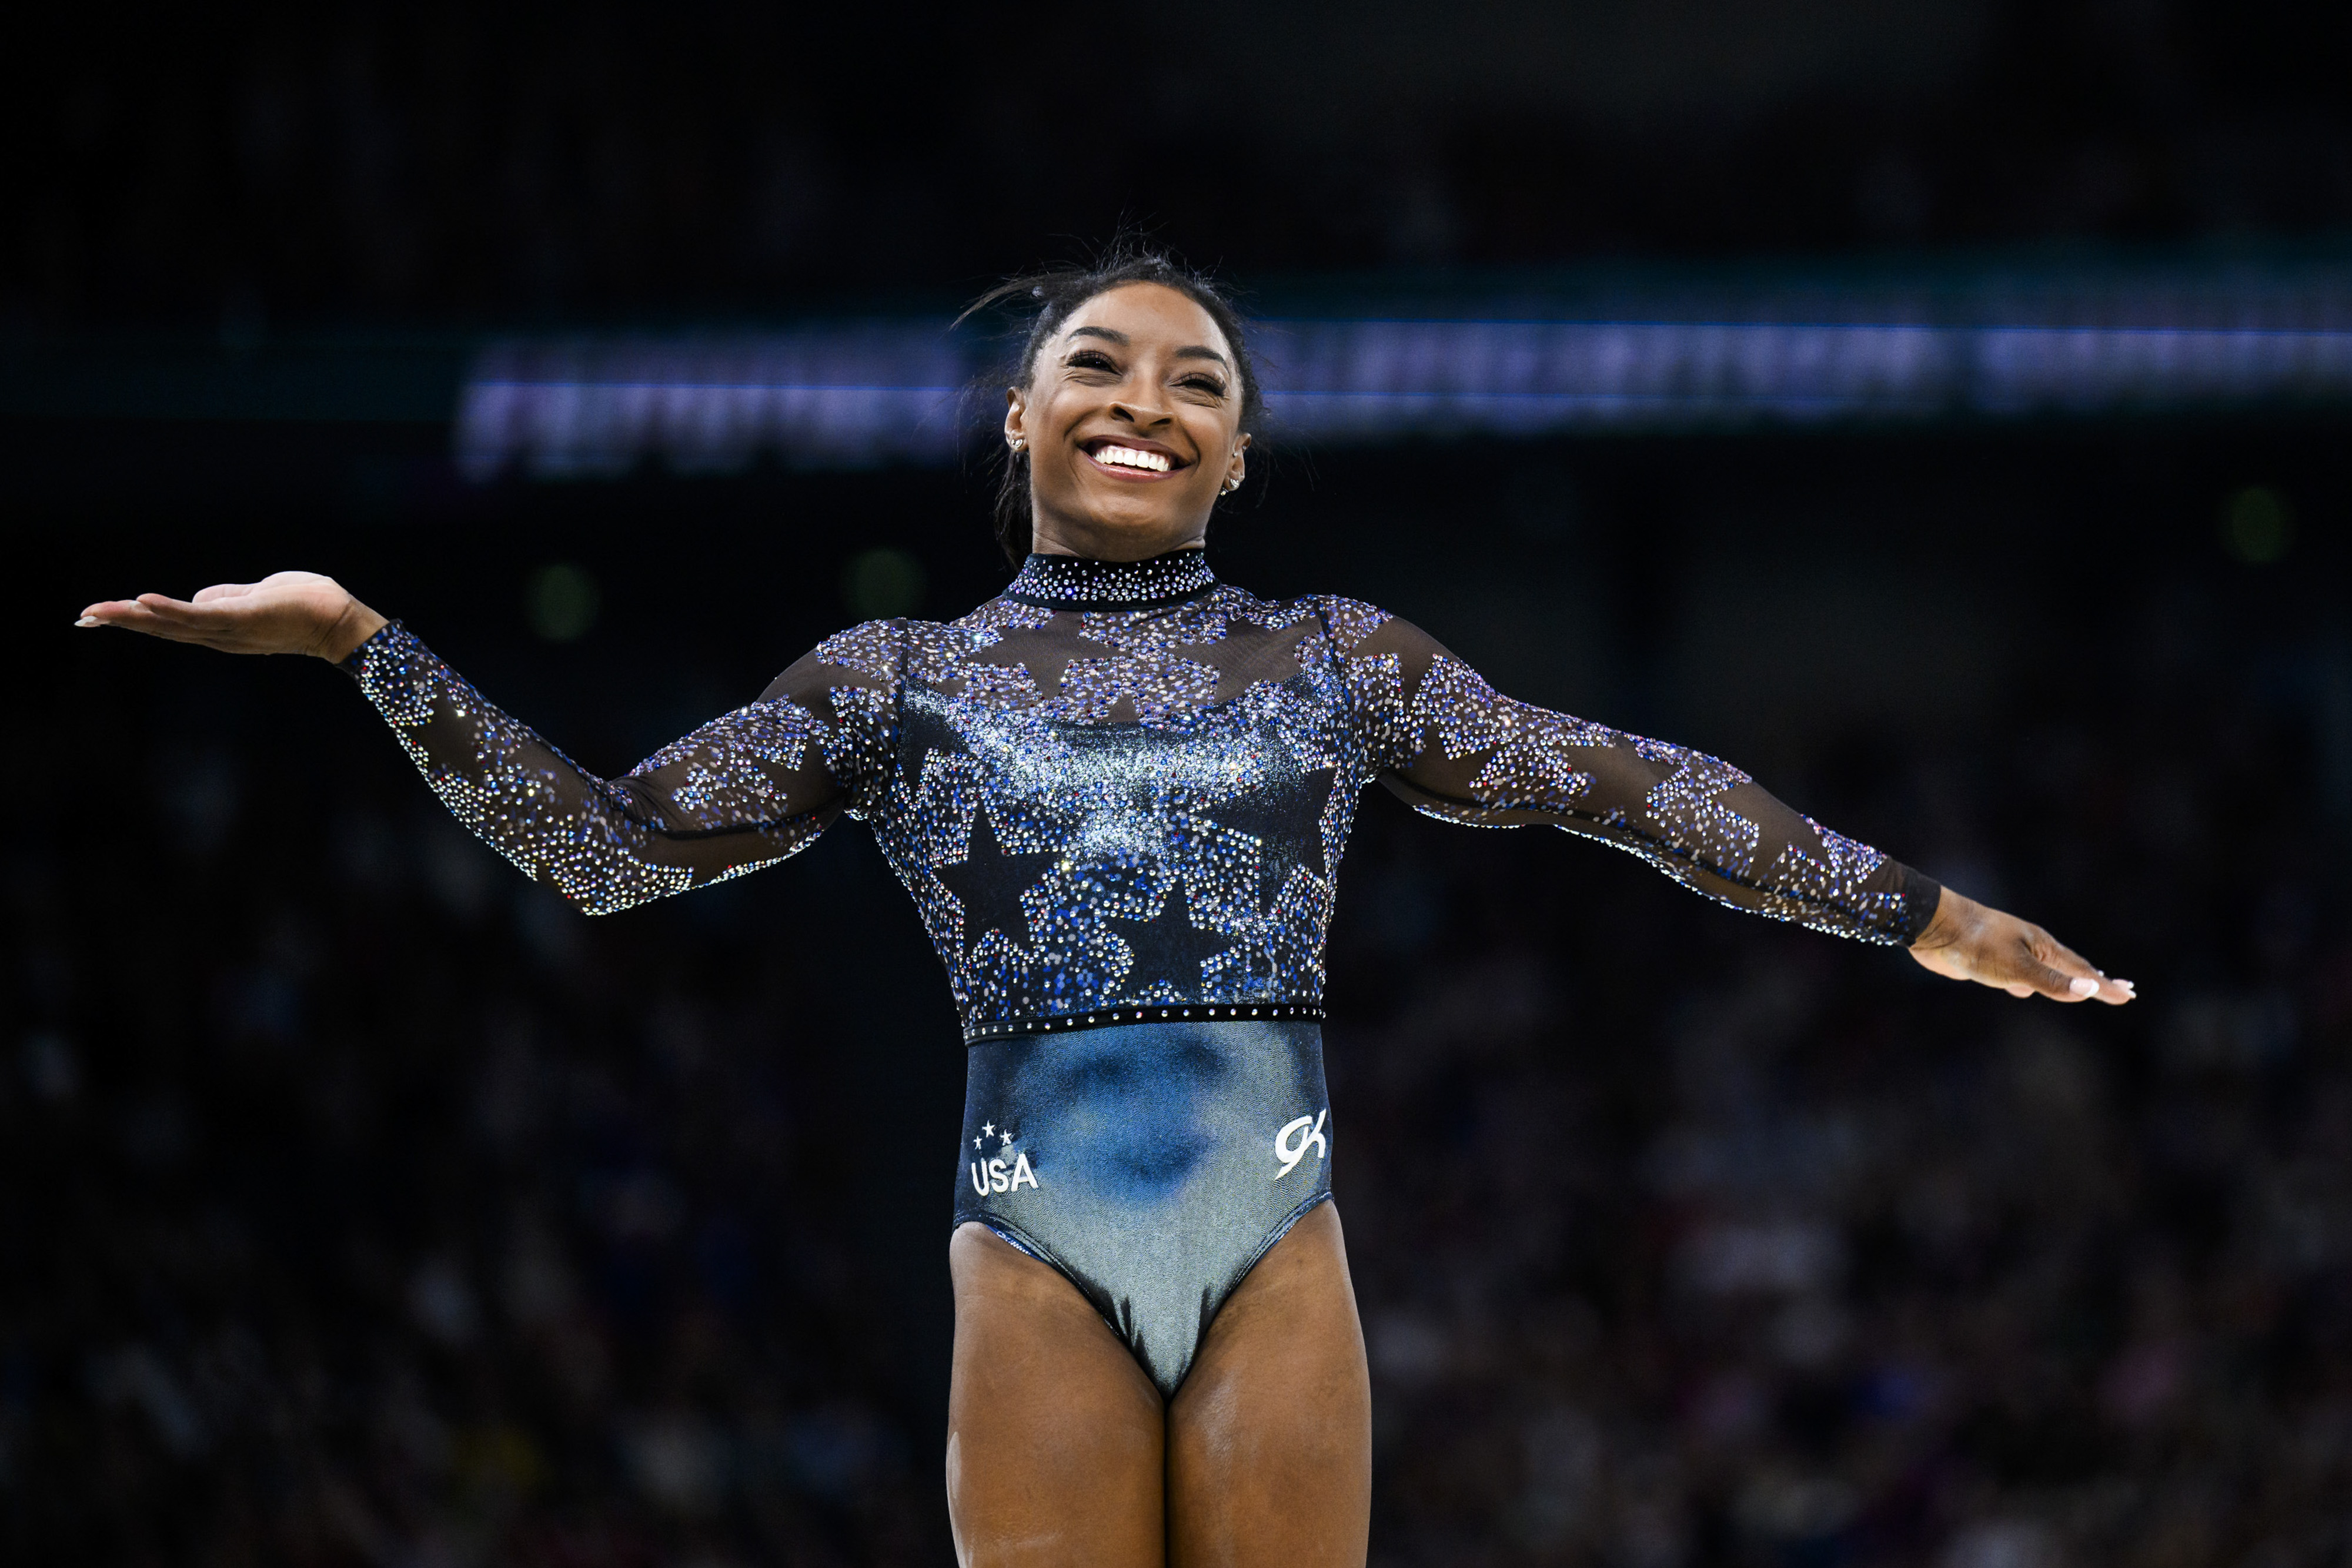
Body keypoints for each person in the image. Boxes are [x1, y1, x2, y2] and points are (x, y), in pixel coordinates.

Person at [76, 248, 2132, 1568]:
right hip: (1035, 1240)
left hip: (1277, 1224)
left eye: (1196, 380)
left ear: (1239, 453)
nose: (1144, 395)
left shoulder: (1337, 656)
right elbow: (614, 848)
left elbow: (1632, 787)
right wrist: (368, 647)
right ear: (1021, 416)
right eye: (1095, 360)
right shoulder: (894, 680)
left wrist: (1918, 910)